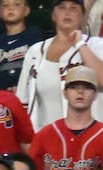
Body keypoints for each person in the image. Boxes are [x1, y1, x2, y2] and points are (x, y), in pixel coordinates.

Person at [16, 0, 103, 132]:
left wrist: (80, 45)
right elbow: (22, 101)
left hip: (89, 137)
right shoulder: (35, 51)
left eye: (74, 8)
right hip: (46, 138)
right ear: (53, 15)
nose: (67, 12)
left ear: (82, 16)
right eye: (61, 8)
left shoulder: (95, 45)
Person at [28, 65, 103, 170]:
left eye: (87, 87)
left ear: (94, 94)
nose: (80, 91)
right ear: (65, 93)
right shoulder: (44, 136)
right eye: (74, 87)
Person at [0, 0, 45, 92]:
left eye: (17, 4)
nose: (11, 8)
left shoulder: (35, 36)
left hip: (31, 94)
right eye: (5, 5)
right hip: (3, 97)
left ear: (26, 10)